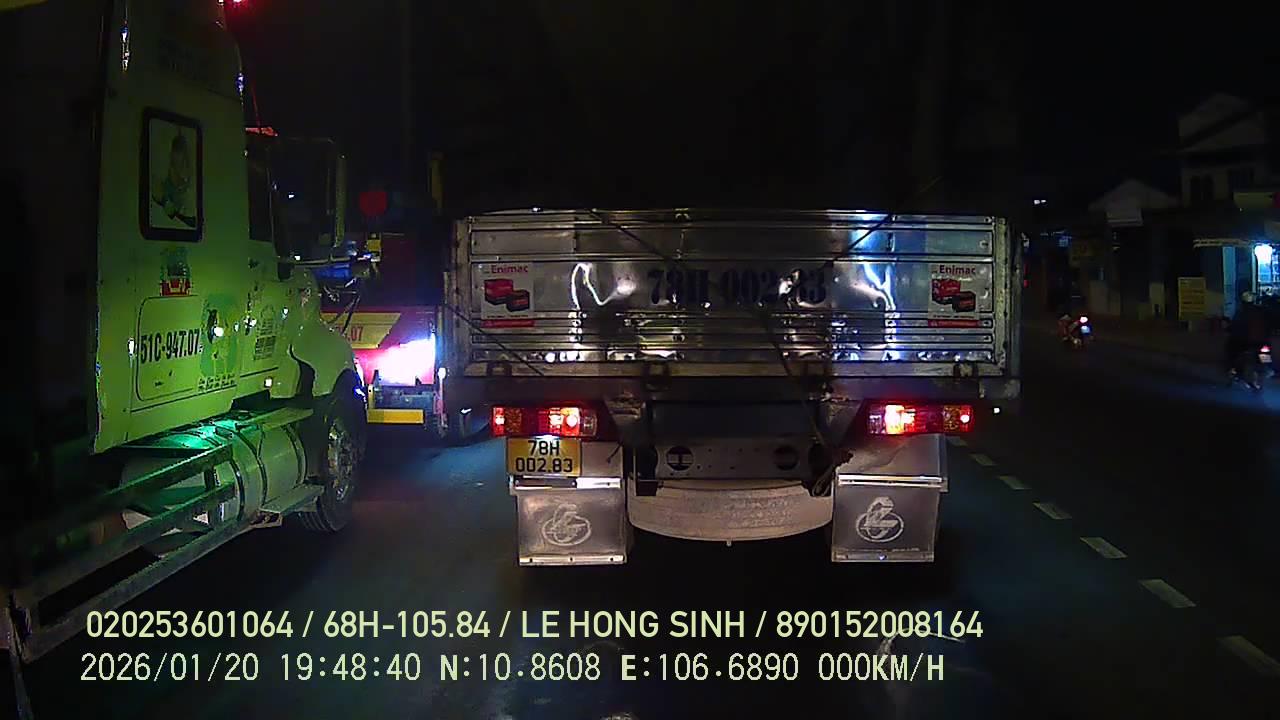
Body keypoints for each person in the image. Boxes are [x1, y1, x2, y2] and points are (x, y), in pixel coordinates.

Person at [1226, 291, 1270, 376]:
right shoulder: (1260, 310)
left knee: (1231, 350)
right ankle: (1266, 367)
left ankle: (1234, 370)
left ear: (1243, 301)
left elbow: (1233, 326)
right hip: (1259, 341)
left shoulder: (1240, 312)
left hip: (1243, 341)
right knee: (1265, 349)